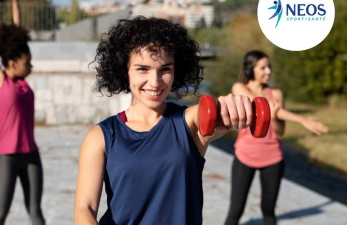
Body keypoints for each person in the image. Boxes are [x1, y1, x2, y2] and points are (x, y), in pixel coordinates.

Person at [74, 16, 255, 224]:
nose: (155, 82)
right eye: (143, 69)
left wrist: (231, 106)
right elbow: (84, 209)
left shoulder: (188, 124)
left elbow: (208, 111)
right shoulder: (101, 136)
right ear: (126, 70)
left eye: (165, 70)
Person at [224, 50, 329, 225]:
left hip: (273, 158)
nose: (269, 72)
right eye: (263, 67)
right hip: (245, 156)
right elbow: (261, 106)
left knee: (269, 211)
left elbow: (280, 131)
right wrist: (302, 119)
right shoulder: (239, 88)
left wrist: (273, 117)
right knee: (236, 210)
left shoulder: (277, 94)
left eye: (269, 67)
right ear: (250, 69)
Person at [0, 0, 45, 225]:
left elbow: (17, 33)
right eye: (27, 63)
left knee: (36, 213)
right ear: (11, 62)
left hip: (31, 153)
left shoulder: (22, 83)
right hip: (6, 156)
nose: (31, 66)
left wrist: (15, 1)